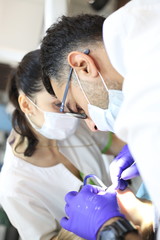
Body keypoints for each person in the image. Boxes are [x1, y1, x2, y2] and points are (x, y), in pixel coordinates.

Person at [40, 6, 160, 239]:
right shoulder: (146, 20)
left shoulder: (148, 105)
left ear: (83, 65)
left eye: (78, 109)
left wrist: (110, 228)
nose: (93, 126)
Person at [0, 49, 118, 240]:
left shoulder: (77, 123)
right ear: (27, 105)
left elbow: (113, 144)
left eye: (71, 101)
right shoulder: (14, 185)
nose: (70, 112)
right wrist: (87, 226)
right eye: (58, 105)